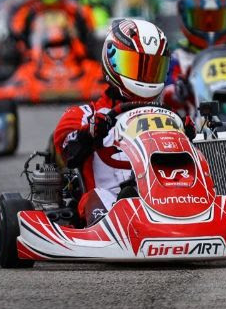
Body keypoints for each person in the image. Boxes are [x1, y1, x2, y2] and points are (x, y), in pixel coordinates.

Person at [52, 18, 175, 226]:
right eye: (136, 66)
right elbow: (63, 147)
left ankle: (188, 212)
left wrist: (189, 133)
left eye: (152, 68)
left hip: (164, 196)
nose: (144, 77)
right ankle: (126, 211)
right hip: (108, 202)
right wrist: (89, 133)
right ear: (112, 61)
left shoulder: (169, 116)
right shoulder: (86, 115)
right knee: (103, 198)